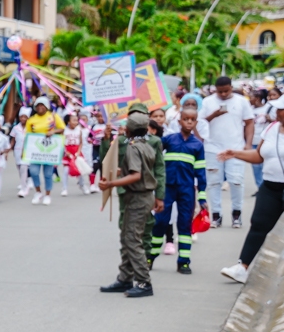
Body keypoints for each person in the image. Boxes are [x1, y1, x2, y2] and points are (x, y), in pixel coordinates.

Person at [218, 90, 284, 285]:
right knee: (258, 224)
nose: (276, 112)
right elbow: (259, 156)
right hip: (270, 187)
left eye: (280, 109)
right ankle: (242, 267)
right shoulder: (271, 129)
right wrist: (235, 153)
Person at [98, 109, 165, 298]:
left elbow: (135, 176)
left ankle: (144, 282)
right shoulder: (145, 145)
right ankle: (125, 278)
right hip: (142, 197)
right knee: (129, 237)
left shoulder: (133, 148)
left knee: (132, 239)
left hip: (138, 197)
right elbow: (139, 171)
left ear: (129, 130)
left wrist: (111, 183)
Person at [149, 103, 207, 275]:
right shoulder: (169, 139)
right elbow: (155, 156)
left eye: (192, 120)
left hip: (187, 189)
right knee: (160, 222)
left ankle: (184, 262)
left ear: (196, 122)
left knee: (184, 225)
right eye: (186, 119)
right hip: (166, 188)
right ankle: (150, 257)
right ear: (179, 120)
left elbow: (201, 171)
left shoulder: (198, 145)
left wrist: (202, 197)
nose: (189, 122)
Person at [201, 75, 254, 229]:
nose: (223, 94)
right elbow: (200, 122)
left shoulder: (241, 101)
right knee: (213, 182)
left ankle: (236, 214)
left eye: (226, 91)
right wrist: (214, 114)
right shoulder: (208, 102)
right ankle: (216, 215)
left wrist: (248, 144)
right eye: (220, 92)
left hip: (235, 148)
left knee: (236, 181)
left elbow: (249, 122)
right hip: (212, 147)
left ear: (231, 87)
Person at [23, 97, 63, 205]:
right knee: (33, 172)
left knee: (48, 174)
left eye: (42, 105)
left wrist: (53, 132)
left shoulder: (53, 117)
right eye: (38, 105)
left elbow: (62, 129)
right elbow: (27, 136)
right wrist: (24, 151)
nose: (40, 107)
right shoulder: (31, 120)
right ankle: (38, 192)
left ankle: (47, 195)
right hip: (35, 151)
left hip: (50, 150)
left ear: (46, 106)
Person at [12, 106, 31, 197]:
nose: (23, 118)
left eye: (25, 117)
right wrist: (8, 149)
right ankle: (25, 183)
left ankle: (23, 189)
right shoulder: (16, 128)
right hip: (17, 151)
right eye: (21, 117)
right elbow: (12, 140)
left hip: (27, 152)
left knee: (24, 168)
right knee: (20, 169)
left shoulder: (31, 128)